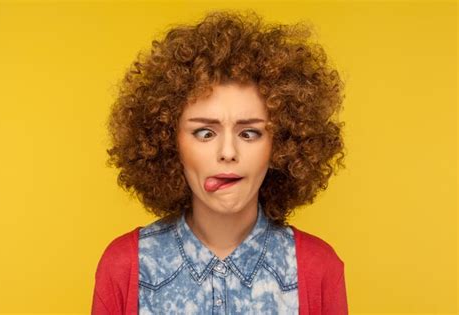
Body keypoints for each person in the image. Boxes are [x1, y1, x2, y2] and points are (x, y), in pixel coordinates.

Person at [92, 10, 348, 314]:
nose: (228, 152)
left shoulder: (318, 267)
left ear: (280, 144)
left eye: (250, 133)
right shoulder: (125, 265)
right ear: (168, 141)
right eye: (204, 132)